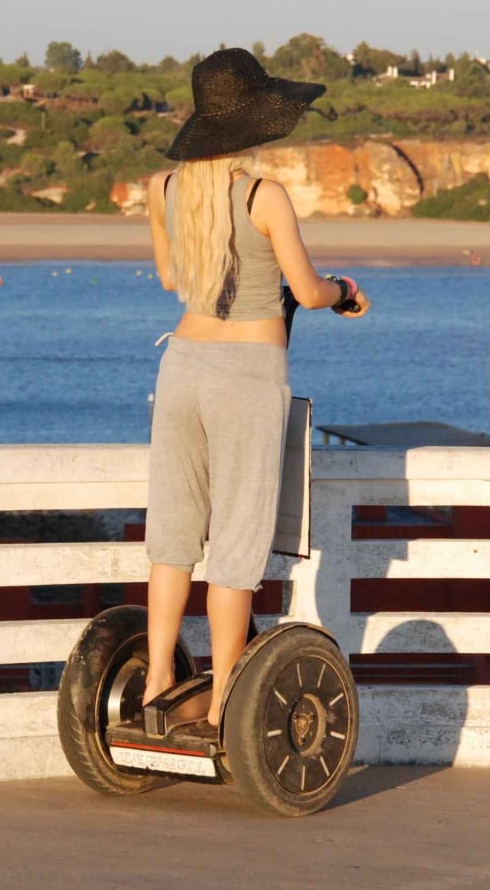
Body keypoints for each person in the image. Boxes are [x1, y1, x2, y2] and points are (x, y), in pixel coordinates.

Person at [141, 48, 370, 730]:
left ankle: (157, 682)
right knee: (236, 546)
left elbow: (168, 279)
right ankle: (219, 708)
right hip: (247, 375)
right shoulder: (263, 195)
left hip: (181, 362)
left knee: (173, 535)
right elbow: (306, 291)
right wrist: (347, 292)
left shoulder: (161, 189)